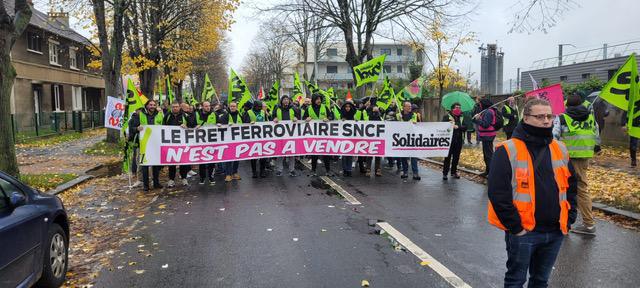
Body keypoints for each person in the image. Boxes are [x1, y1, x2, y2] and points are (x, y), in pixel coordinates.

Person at [488, 98, 577, 287]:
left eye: (549, 116)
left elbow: (571, 185)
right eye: (540, 116)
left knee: (541, 281)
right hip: (525, 232)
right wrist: (516, 228)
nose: (546, 121)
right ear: (526, 118)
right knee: (516, 281)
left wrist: (569, 218)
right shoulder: (508, 149)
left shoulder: (559, 148)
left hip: (555, 231)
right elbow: (498, 194)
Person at [554, 93, 600, 235]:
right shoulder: (591, 117)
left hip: (567, 158)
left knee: (563, 188)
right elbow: (597, 135)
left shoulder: (562, 118)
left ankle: (586, 224)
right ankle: (579, 222)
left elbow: (553, 137)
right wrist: (596, 147)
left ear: (567, 104)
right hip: (584, 157)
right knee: (580, 188)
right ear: (581, 103)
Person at [129, 100, 164, 191]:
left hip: (156, 143)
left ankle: (156, 183)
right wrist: (137, 128)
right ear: (147, 106)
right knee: (144, 165)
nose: (152, 106)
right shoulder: (139, 115)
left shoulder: (159, 114)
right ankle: (146, 185)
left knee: (155, 164)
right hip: (143, 144)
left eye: (154, 105)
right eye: (150, 105)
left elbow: (164, 126)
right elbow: (131, 128)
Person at [304, 93, 334, 176]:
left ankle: (328, 170)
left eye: (320, 99)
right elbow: (303, 118)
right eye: (317, 99)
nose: (319, 100)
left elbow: (331, 116)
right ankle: (313, 170)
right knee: (314, 154)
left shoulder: (325, 107)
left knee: (326, 153)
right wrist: (306, 118)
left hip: (324, 134)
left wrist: (328, 118)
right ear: (314, 100)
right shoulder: (309, 108)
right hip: (313, 134)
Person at [163, 102, 190, 187]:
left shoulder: (185, 115)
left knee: (183, 161)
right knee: (172, 162)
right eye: (173, 107)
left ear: (179, 107)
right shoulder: (167, 116)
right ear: (171, 107)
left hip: (182, 142)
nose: (175, 108)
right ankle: (171, 180)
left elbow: (191, 126)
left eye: (177, 107)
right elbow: (162, 127)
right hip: (171, 143)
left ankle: (184, 178)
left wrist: (186, 126)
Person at [272, 95, 299, 177]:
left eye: (287, 99)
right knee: (280, 152)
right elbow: (272, 117)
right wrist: (274, 118)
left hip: (291, 134)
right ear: (282, 101)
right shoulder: (277, 108)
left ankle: (292, 169)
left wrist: (295, 118)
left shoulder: (293, 108)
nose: (286, 101)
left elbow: (299, 117)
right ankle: (279, 170)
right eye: (284, 99)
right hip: (280, 134)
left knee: (291, 152)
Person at [473, 98, 499, 176]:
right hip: (486, 135)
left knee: (488, 155)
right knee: (486, 154)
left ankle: (491, 173)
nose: (479, 105)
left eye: (480, 104)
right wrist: (475, 119)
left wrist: (478, 120)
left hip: (488, 135)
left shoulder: (488, 112)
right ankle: (488, 171)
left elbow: (485, 124)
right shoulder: (486, 111)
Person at [244, 100, 269, 178]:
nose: (259, 108)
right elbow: (244, 123)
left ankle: (262, 171)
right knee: (254, 156)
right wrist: (249, 122)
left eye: (260, 107)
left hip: (262, 136)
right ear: (254, 106)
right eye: (258, 107)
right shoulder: (248, 112)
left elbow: (267, 122)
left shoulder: (263, 112)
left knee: (263, 155)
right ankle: (254, 172)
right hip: (252, 137)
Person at [195, 101, 218, 185]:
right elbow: (192, 123)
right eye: (206, 106)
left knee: (212, 160)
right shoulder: (197, 114)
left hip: (211, 140)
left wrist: (219, 124)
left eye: (209, 106)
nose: (208, 107)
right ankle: (202, 177)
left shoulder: (214, 114)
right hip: (201, 140)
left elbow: (219, 121)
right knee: (202, 160)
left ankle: (211, 177)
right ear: (202, 106)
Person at [397, 101, 421, 180]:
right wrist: (398, 119)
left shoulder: (414, 115)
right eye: (408, 106)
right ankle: (405, 172)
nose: (410, 108)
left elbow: (419, 125)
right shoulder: (398, 115)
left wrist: (415, 123)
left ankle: (415, 173)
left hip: (412, 138)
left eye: (410, 106)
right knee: (404, 156)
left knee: (413, 156)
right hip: (402, 138)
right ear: (404, 107)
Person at [442, 103, 466, 180]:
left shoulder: (462, 117)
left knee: (456, 157)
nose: (458, 109)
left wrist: (458, 127)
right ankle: (445, 173)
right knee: (447, 157)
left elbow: (465, 127)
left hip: (458, 140)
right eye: (456, 107)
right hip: (449, 140)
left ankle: (453, 172)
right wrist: (449, 125)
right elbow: (442, 126)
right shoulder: (447, 117)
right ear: (452, 109)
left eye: (459, 107)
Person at [220, 102, 243, 182]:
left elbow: (245, 123)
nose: (232, 108)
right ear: (229, 107)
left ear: (236, 107)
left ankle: (235, 173)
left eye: (234, 106)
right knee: (228, 157)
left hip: (237, 140)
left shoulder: (240, 115)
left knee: (237, 157)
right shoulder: (225, 115)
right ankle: (228, 174)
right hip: (228, 140)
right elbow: (219, 124)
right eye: (231, 106)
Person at [339, 100, 357, 176]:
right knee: (344, 155)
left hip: (351, 137)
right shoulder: (342, 114)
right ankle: (345, 169)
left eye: (349, 106)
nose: (347, 108)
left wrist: (356, 121)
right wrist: (342, 120)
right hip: (343, 137)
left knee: (350, 154)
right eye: (346, 106)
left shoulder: (354, 114)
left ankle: (349, 170)